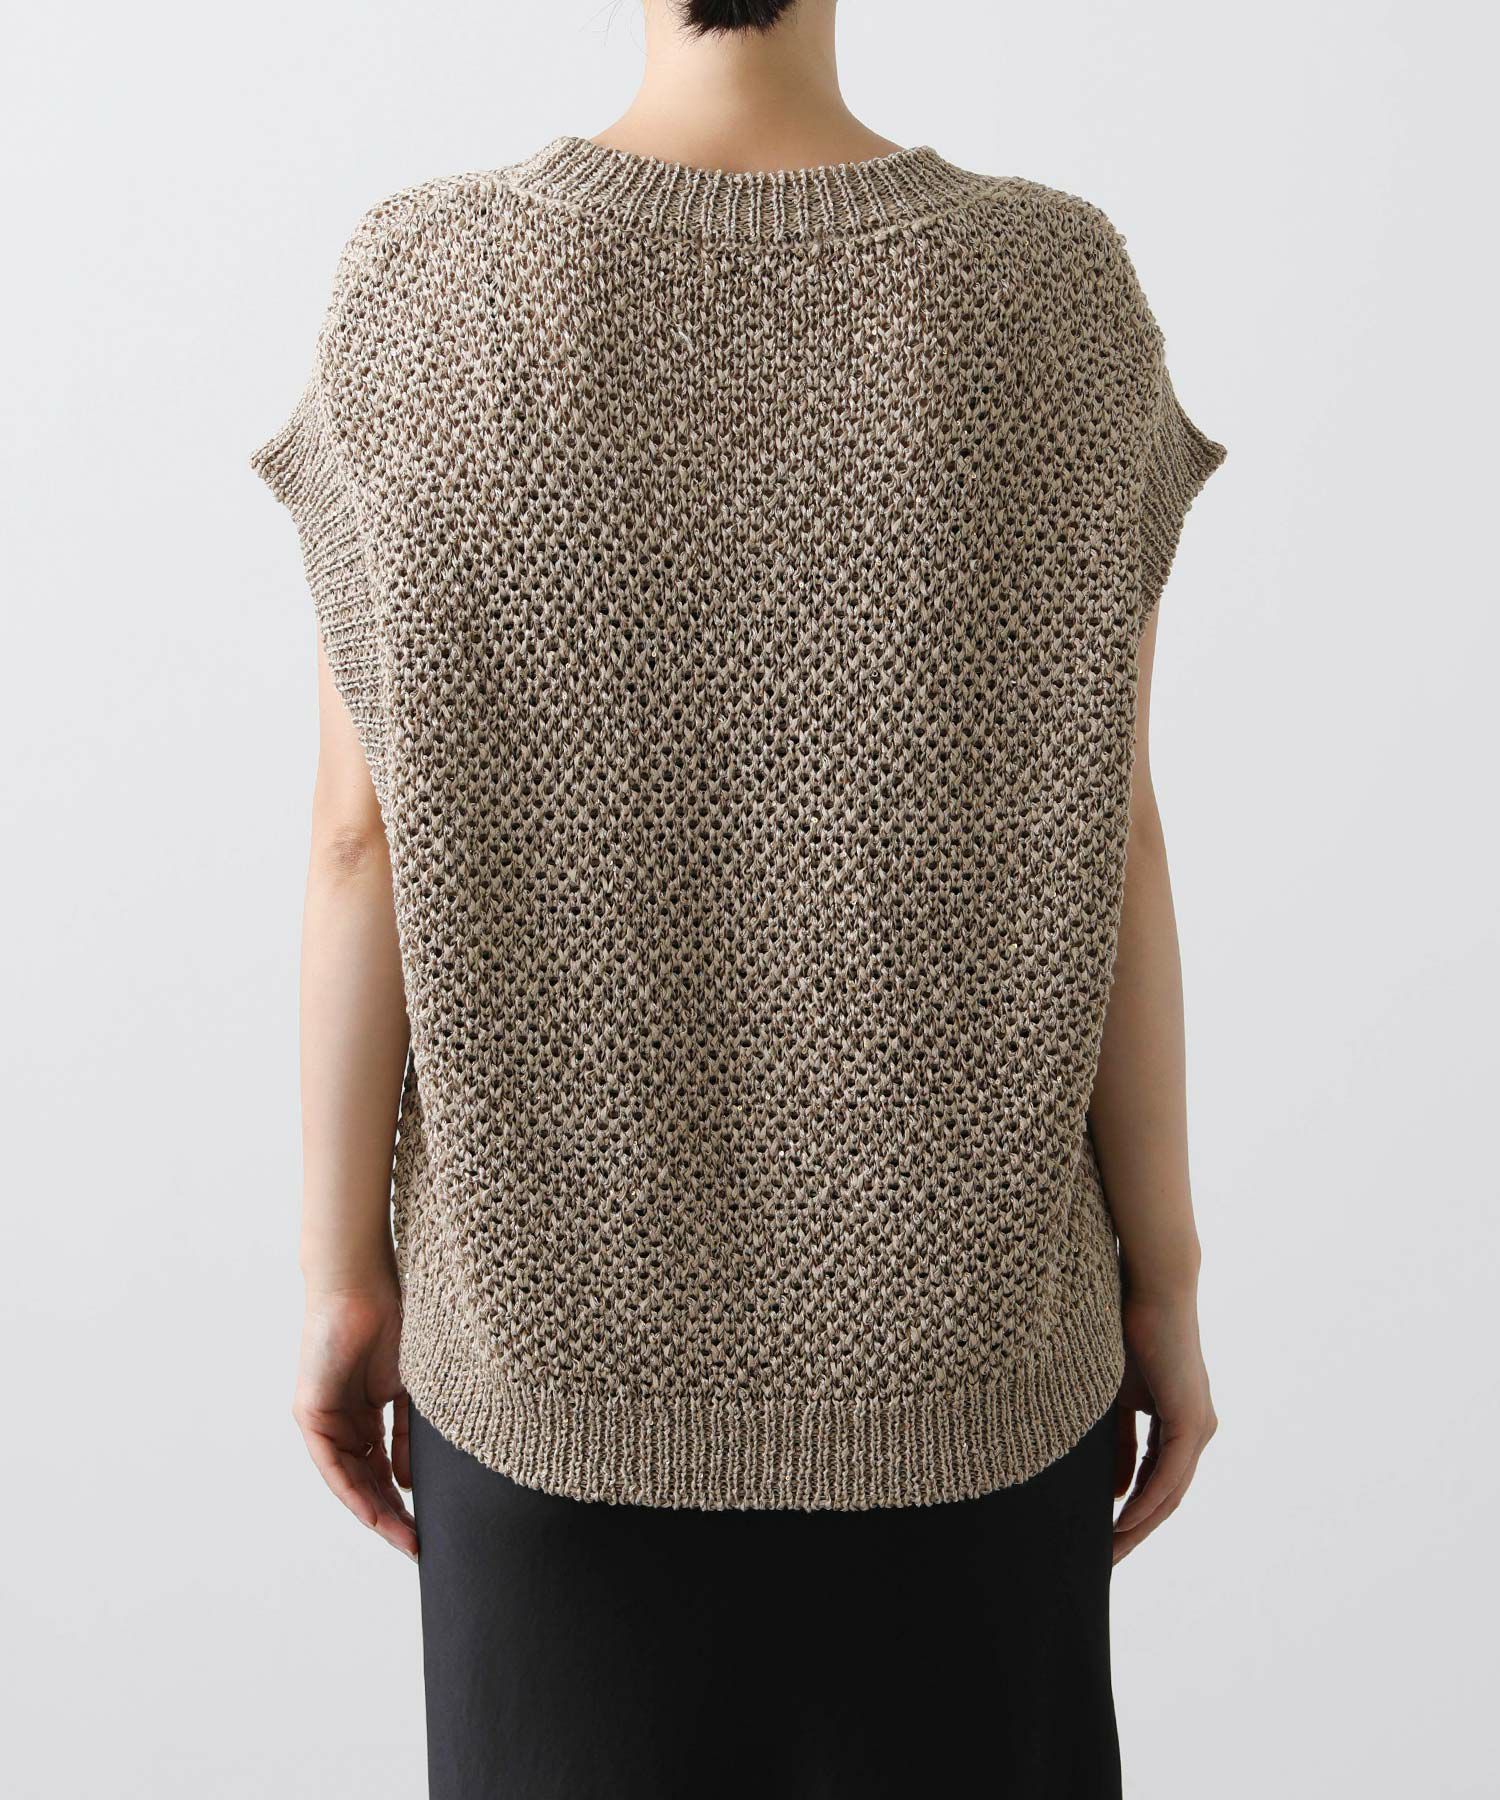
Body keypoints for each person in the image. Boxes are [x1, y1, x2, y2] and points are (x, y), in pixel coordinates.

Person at [251, 1, 1224, 1793]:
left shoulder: (424, 289)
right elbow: (1117, 834)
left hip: (543, 1370)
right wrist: (1165, 1279)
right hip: (976, 1366)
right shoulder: (1053, 292)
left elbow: (352, 842)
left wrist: (342, 1281)